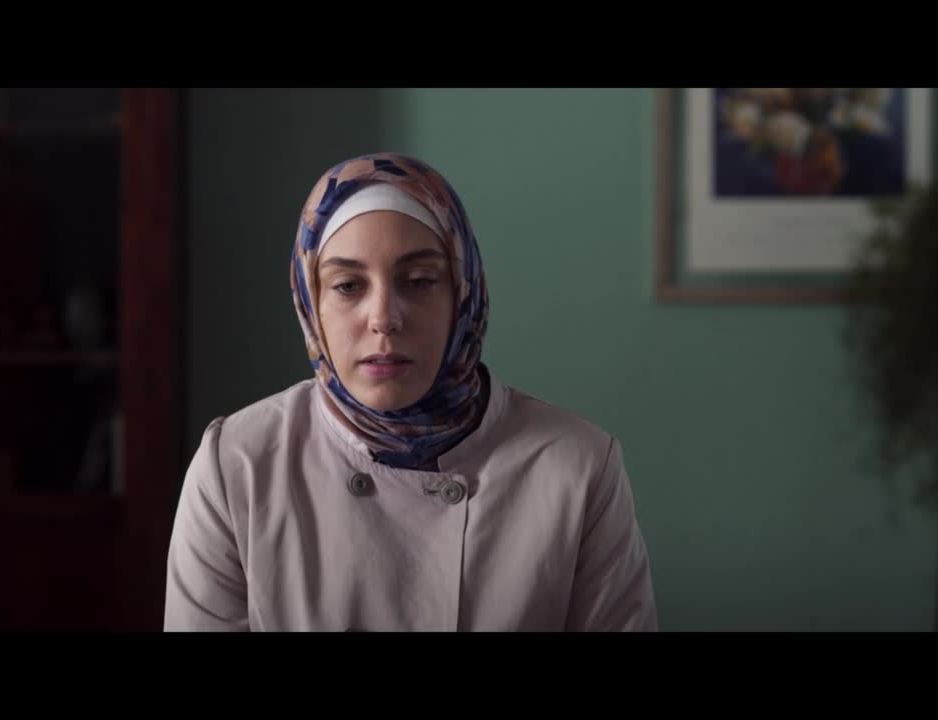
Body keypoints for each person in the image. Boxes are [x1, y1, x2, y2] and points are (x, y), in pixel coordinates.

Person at [164, 152, 658, 631]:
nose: (384, 318)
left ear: (462, 293)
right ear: (310, 300)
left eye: (419, 281)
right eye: (348, 286)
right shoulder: (237, 466)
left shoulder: (579, 466)